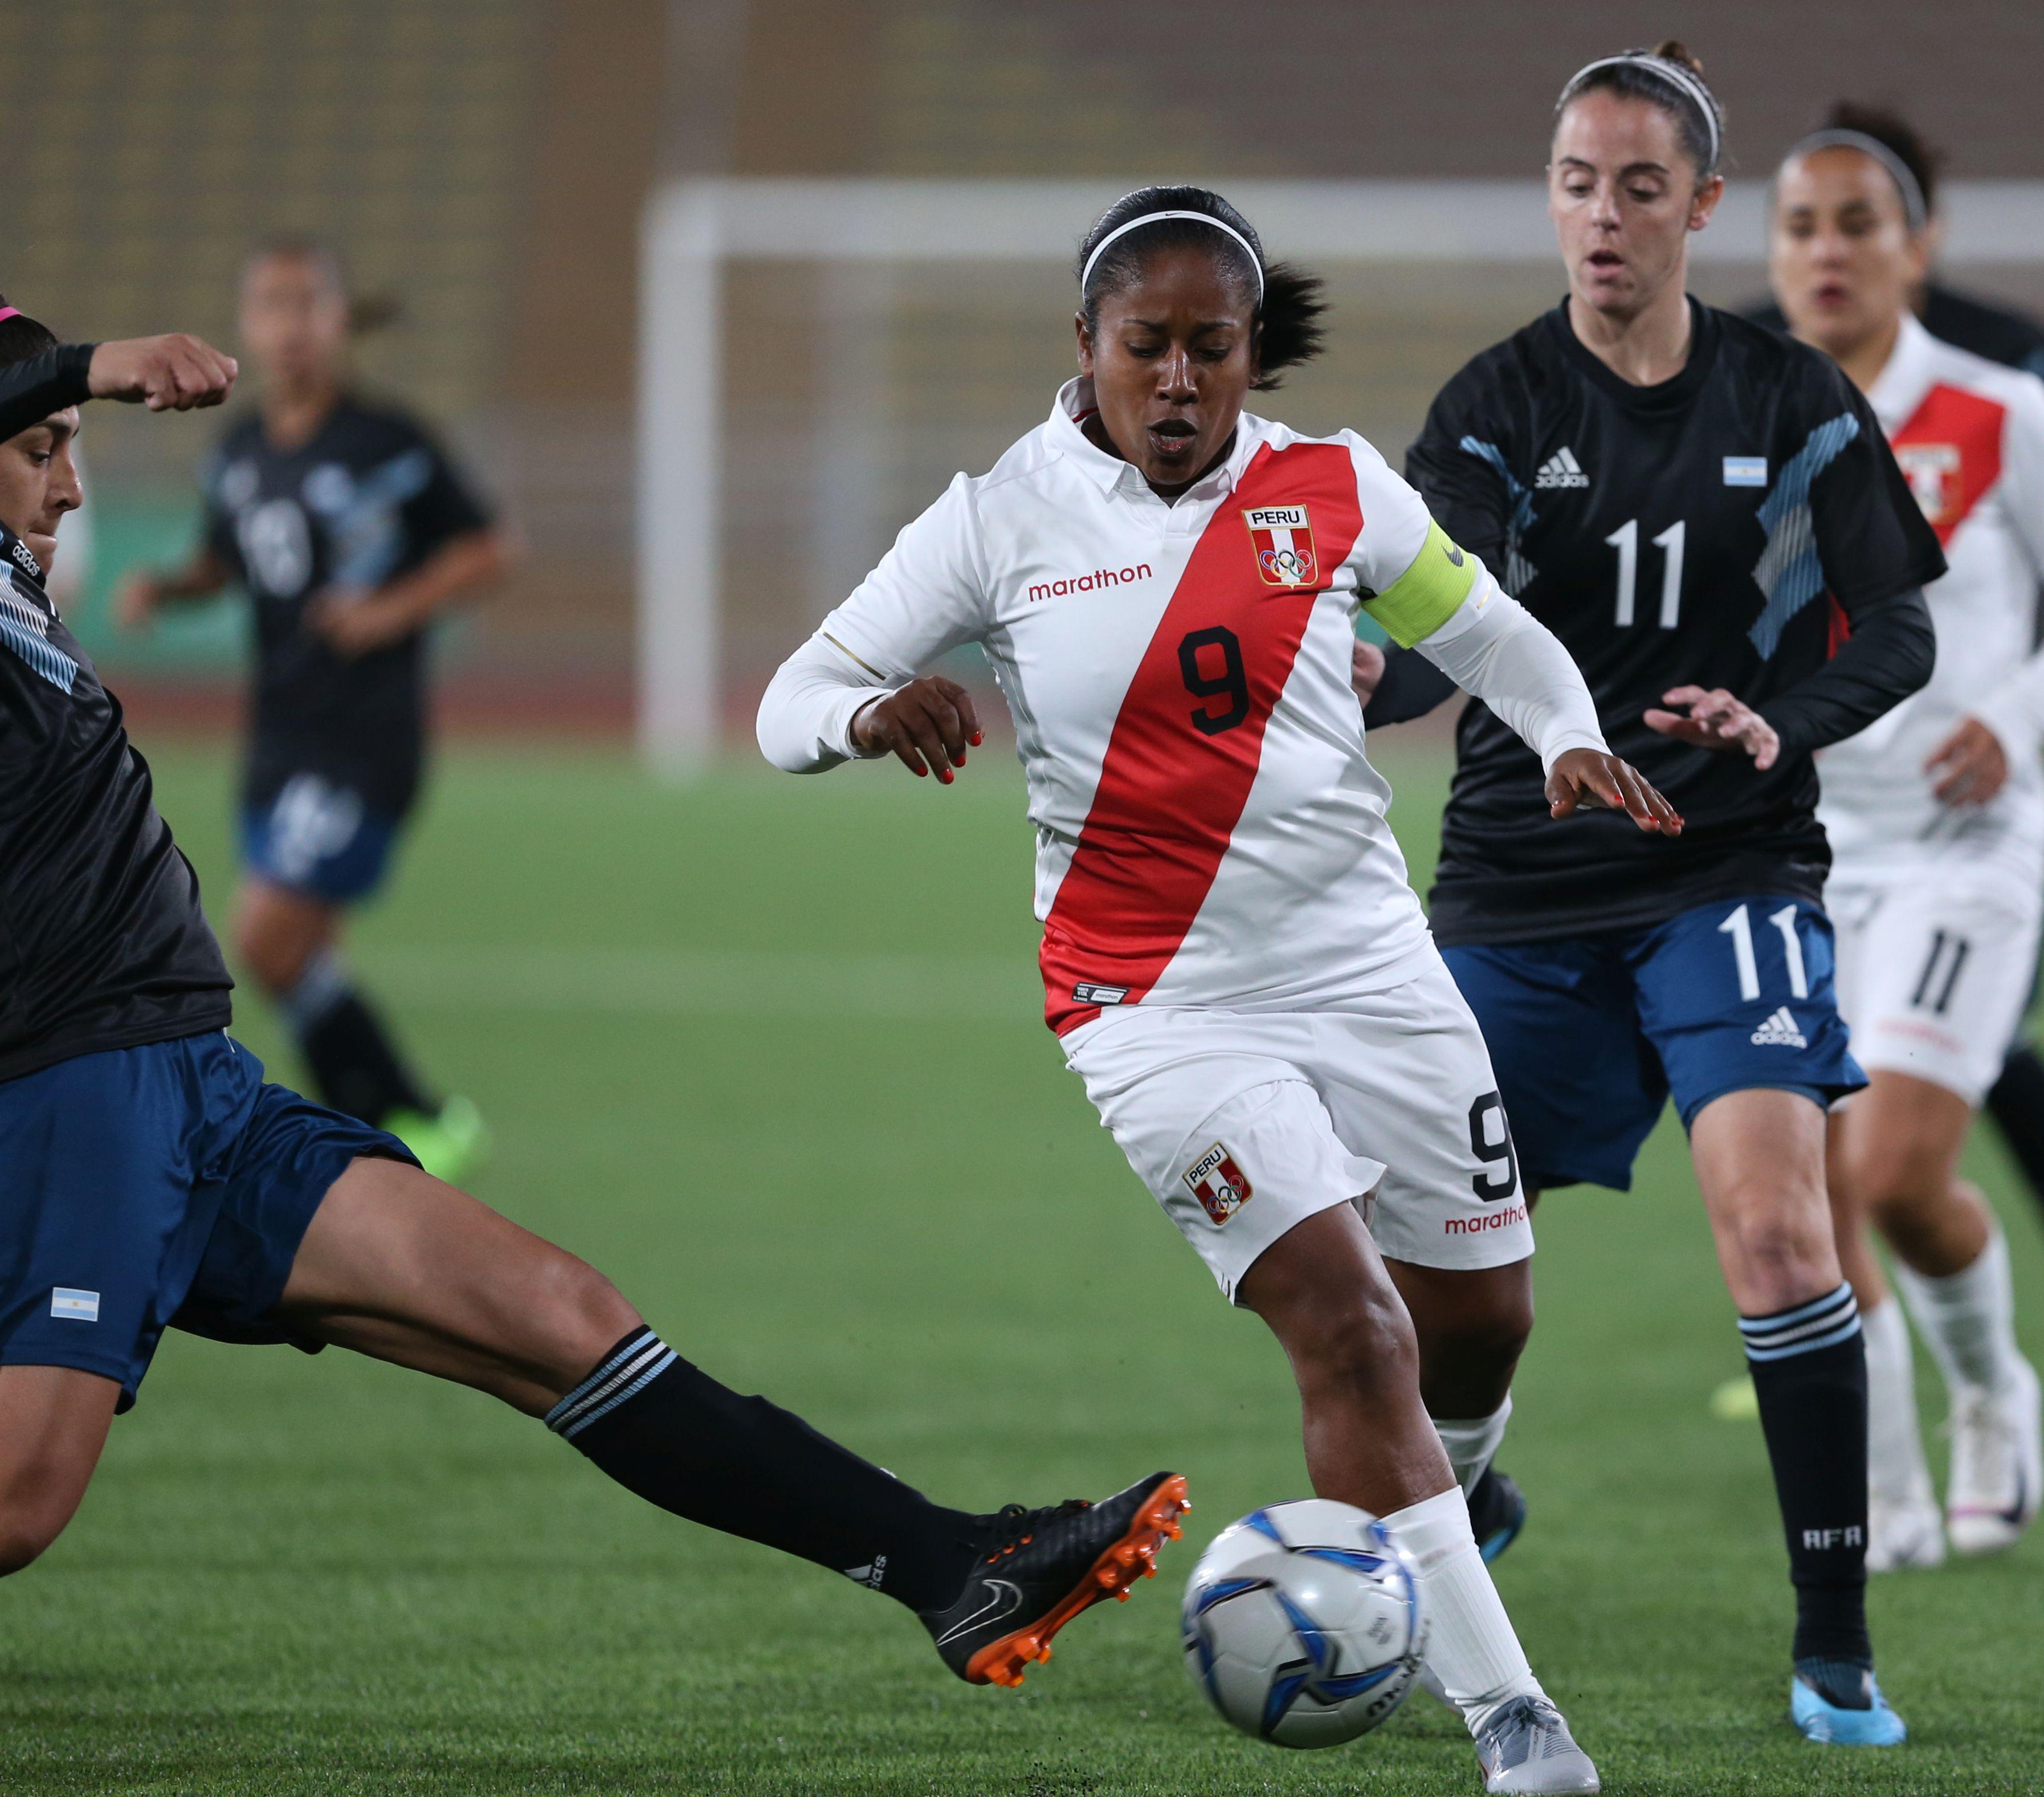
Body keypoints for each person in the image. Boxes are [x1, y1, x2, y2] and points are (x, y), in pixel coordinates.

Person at [0, 296, 1183, 1693]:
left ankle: (953, 1567)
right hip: (74, 1088)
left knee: (560, 1315)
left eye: (70, 441)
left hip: (198, 1090)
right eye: (36, 444)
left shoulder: (26, 584)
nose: (71, 479)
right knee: (22, 1501)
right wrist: (96, 363)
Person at [760, 184, 1686, 1793]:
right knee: (1354, 1332)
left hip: (1366, 961)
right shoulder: (998, 518)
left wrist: (1566, 733)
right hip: (1153, 1002)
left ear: (1250, 355)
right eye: (1144, 348)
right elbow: (789, 695)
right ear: (1085, 347)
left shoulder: (1329, 491)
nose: (1176, 381)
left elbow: (1491, 639)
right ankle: (1513, 1722)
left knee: (1482, 1322)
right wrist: (862, 716)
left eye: (1208, 349)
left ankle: (1435, 1525)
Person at [1354, 46, 1945, 1746]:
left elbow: (1892, 624)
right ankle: (1465, 1491)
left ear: (1697, 207)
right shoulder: (1490, 408)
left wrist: (1784, 721)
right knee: (1432, 1291)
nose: (1598, 217)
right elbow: (1424, 631)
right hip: (1515, 889)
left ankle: (1831, 1640)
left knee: (1774, 1230)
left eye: (1633, 186)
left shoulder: (1791, 401)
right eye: (1571, 182)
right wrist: (1330, 680)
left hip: (1724, 875)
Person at [1765, 119, 2044, 1569]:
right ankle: (1892, 1497)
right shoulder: (1742, 423)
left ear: (1915, 247)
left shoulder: (1997, 409)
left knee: (1894, 1173)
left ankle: (1995, 1390)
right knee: (1813, 1193)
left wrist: (2017, 713)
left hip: (1962, 848)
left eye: (1859, 222)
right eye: (1801, 224)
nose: (1827, 250)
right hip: (1799, 857)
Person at [117, 239, 504, 1183]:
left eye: (308, 303)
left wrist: (389, 611)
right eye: (270, 305)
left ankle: (404, 1126)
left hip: (361, 740)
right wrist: (169, 589)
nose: (290, 324)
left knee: (266, 935)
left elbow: (488, 549)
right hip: (278, 738)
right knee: (296, 959)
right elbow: (226, 564)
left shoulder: (389, 442)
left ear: (339, 319)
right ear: (246, 325)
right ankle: (399, 1132)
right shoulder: (241, 450)